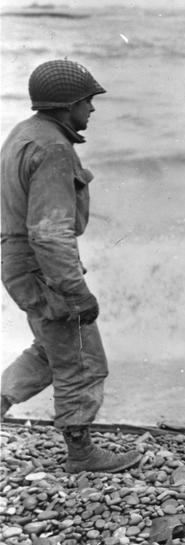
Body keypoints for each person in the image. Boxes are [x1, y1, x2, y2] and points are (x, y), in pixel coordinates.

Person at [1, 59, 142, 473]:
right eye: (87, 101)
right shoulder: (54, 149)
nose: (92, 110)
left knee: (50, 352)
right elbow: (49, 232)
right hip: (43, 267)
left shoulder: (24, 134)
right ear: (67, 105)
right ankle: (81, 453)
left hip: (18, 262)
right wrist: (76, 292)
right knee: (83, 360)